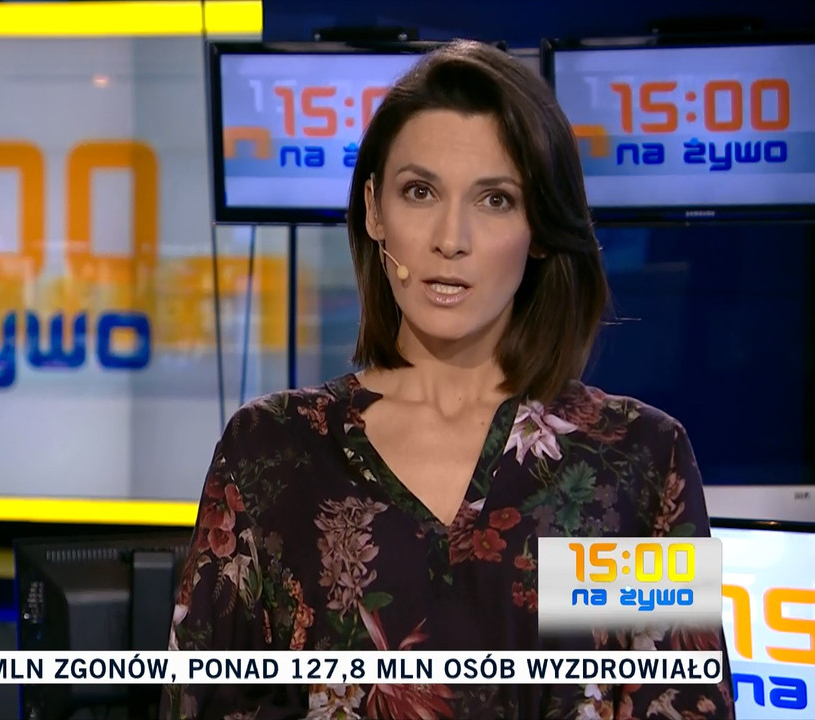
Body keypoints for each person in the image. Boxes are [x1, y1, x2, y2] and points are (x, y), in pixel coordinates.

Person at [163, 40, 735, 720]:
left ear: (539, 230)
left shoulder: (634, 463)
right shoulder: (272, 450)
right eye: (420, 192)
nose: (451, 238)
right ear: (374, 210)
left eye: (495, 199)